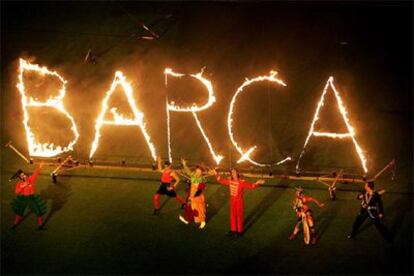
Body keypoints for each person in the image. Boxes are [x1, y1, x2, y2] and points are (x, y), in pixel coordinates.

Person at [211, 168, 264, 237]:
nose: (233, 173)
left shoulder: (241, 182)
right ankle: (233, 230)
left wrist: (258, 183)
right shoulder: (230, 181)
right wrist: (215, 173)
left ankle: (240, 231)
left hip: (239, 201)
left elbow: (251, 186)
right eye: (232, 172)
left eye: (234, 172)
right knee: (232, 215)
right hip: (232, 200)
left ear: (237, 173)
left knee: (239, 216)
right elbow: (220, 180)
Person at [10, 163, 47, 230]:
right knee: (19, 211)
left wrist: (40, 167)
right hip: (24, 198)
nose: (23, 176)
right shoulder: (19, 184)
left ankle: (40, 225)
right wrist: (22, 187)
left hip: (31, 198)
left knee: (38, 211)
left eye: (23, 174)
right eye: (21, 176)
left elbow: (35, 174)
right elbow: (16, 192)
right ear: (20, 177)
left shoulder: (30, 179)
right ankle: (15, 224)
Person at [178, 159, 207, 229]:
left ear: (202, 172)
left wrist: (192, 198)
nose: (197, 173)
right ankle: (187, 219)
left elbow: (199, 190)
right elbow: (188, 172)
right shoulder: (193, 175)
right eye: (196, 171)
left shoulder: (202, 180)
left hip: (197, 196)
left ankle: (202, 222)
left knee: (199, 209)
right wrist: (184, 164)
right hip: (191, 194)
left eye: (199, 172)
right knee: (189, 207)